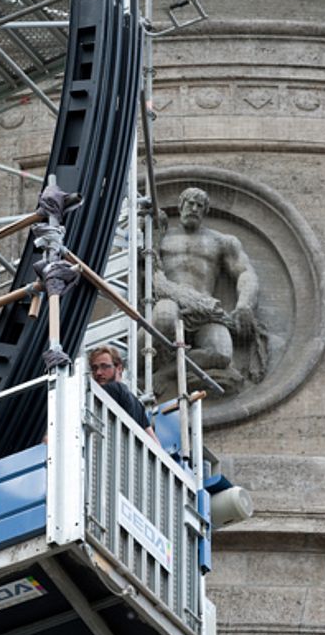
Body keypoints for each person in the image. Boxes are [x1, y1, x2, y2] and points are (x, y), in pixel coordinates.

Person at [152, 186, 266, 387]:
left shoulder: (221, 241)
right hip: (170, 300)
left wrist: (245, 305)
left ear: (205, 211)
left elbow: (245, 273)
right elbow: (147, 269)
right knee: (164, 318)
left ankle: (165, 374)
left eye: (199, 205)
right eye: (190, 203)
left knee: (222, 353)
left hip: (205, 309)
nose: (194, 208)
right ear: (180, 206)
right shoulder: (161, 239)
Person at [89, 345, 158, 443]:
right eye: (94, 368)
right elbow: (155, 443)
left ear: (119, 368)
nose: (98, 372)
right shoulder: (137, 404)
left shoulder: (114, 388)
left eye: (104, 366)